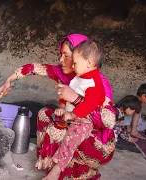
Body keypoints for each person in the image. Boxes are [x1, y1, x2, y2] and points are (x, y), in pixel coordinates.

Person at [0, 34, 116, 179]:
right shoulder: (64, 73)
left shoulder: (97, 82)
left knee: (57, 129)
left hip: (96, 143)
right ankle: (49, 164)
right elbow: (35, 68)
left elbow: (109, 121)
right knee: (44, 114)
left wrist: (76, 98)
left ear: (83, 59)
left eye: (66, 55)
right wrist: (9, 80)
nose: (61, 60)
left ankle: (70, 171)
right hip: (75, 123)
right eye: (60, 55)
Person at [52, 39, 107, 173]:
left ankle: (57, 170)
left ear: (89, 63)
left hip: (85, 121)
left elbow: (89, 105)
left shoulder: (94, 83)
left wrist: (71, 115)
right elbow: (68, 93)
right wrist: (62, 108)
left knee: (71, 138)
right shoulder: (79, 76)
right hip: (72, 117)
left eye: (75, 63)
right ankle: (49, 160)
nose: (73, 66)